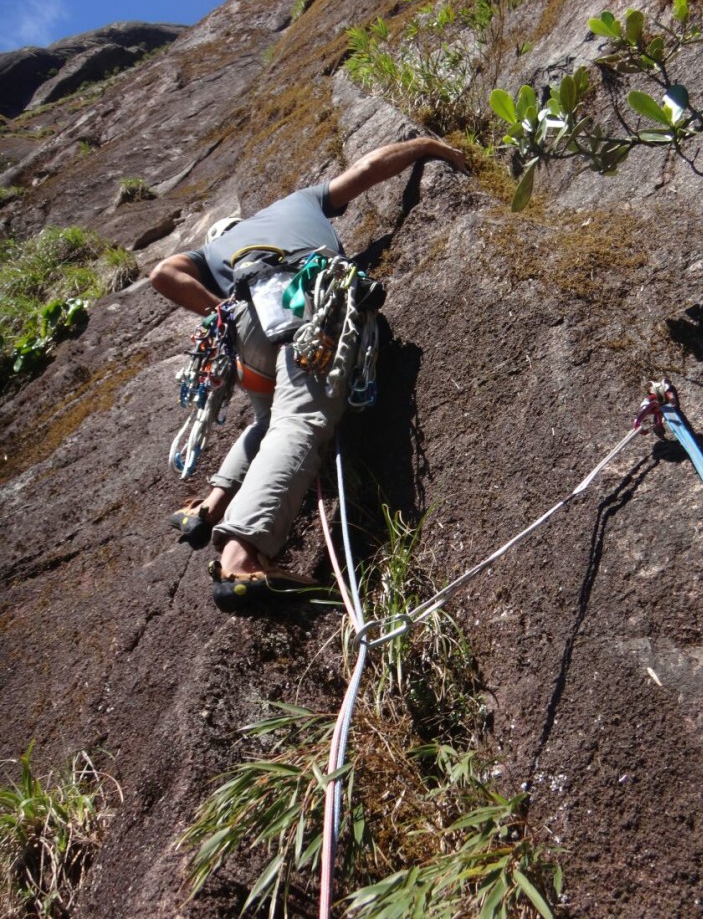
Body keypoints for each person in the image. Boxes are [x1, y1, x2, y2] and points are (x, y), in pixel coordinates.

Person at [150, 136, 468, 603]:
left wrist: (222, 310)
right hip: (310, 296)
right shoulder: (298, 202)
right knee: (299, 419)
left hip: (246, 328)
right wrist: (427, 145)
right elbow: (371, 166)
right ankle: (244, 556)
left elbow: (163, 274)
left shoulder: (212, 254)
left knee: (269, 421)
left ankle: (212, 504)